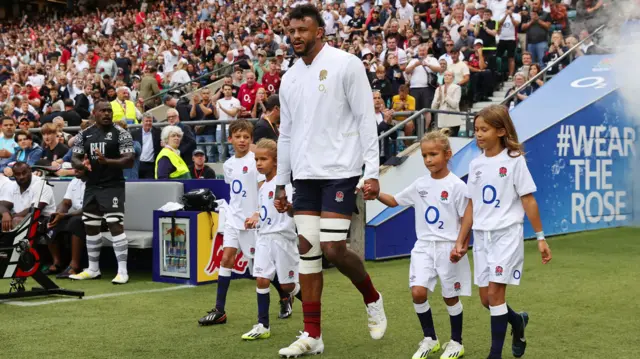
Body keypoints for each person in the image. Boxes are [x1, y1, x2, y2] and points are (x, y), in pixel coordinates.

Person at [275, 5, 387, 357]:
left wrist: (372, 172)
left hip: (341, 170)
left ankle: (372, 297)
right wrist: (281, 181)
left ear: (319, 31)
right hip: (304, 176)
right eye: (291, 30)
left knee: (333, 249)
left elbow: (366, 119)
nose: (295, 36)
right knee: (307, 254)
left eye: (302, 30)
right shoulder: (289, 77)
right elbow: (286, 135)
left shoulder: (346, 64)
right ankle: (312, 335)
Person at [451, 105, 552, 359]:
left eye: (484, 129)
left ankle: (494, 355)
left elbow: (528, 200)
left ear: (501, 131)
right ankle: (517, 322)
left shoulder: (515, 160)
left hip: (507, 235)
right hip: (482, 237)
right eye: (476, 130)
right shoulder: (475, 165)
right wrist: (461, 240)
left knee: (496, 295)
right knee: (487, 300)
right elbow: (472, 205)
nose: (478, 134)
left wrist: (541, 238)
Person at [376, 130, 470, 359]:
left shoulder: (457, 186)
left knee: (450, 296)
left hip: (448, 247)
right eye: (425, 156)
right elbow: (394, 201)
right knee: (418, 293)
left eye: (433, 154)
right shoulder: (420, 185)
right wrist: (376, 192)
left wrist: (461, 244)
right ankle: (430, 339)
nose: (428, 160)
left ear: (447, 154)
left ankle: (456, 342)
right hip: (423, 247)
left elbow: (467, 217)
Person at [197, 120, 261, 325]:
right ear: (230, 139)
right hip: (234, 218)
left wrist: (259, 213)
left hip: (252, 221)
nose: (242, 141)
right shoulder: (228, 164)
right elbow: (235, 192)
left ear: (251, 140)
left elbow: (262, 188)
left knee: (260, 268)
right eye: (238, 137)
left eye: (246, 137)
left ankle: (288, 294)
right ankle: (220, 310)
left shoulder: (255, 161)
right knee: (226, 259)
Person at [241, 138, 302, 341]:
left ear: (275, 161)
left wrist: (288, 207)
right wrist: (254, 218)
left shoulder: (284, 185)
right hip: (264, 238)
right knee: (261, 278)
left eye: (263, 159)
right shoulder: (262, 186)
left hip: (283, 239)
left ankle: (310, 300)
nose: (258, 163)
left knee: (287, 286)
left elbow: (295, 210)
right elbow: (263, 211)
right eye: (257, 159)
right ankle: (262, 325)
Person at [69, 99, 135, 284]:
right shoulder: (85, 134)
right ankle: (93, 268)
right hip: (91, 185)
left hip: (113, 185)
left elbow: (129, 160)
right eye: (103, 111)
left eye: (109, 110)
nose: (107, 113)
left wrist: (107, 162)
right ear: (94, 113)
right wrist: (81, 165)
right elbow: (75, 157)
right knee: (90, 225)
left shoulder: (121, 133)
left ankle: (122, 271)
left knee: (115, 224)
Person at [0, 162, 56, 232]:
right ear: (13, 175)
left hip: (43, 220)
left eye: (24, 173)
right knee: (5, 218)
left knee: (16, 220)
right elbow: (2, 205)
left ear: (30, 171)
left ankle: (13, 242)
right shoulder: (12, 186)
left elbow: (34, 209)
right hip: (19, 218)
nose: (21, 176)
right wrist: (5, 213)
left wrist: (12, 217)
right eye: (18, 174)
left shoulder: (41, 184)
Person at [431, 71, 463, 136]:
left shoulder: (456, 88)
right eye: (445, 75)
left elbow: (455, 104)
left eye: (449, 75)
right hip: (441, 122)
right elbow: (433, 108)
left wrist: (446, 96)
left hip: (453, 121)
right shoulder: (438, 89)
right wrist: (438, 98)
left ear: (453, 78)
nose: (447, 76)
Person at [131, 113, 162, 179]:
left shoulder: (158, 132)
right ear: (142, 122)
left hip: (151, 165)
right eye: (146, 121)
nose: (148, 123)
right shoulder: (135, 133)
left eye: (150, 121)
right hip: (138, 164)